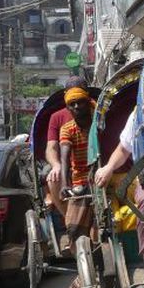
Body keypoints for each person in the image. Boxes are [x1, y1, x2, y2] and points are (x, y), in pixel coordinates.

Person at [58, 86, 96, 256]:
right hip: (81, 178)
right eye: (72, 104)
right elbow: (65, 157)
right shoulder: (67, 129)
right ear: (68, 108)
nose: (76, 107)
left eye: (80, 102)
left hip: (103, 174)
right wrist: (65, 185)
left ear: (87, 102)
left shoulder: (99, 122)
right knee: (74, 224)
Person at [45, 76, 87, 216]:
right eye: (72, 102)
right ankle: (68, 217)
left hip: (92, 162)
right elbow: (51, 147)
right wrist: (56, 165)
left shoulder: (97, 113)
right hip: (68, 167)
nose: (77, 106)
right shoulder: (58, 118)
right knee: (53, 177)